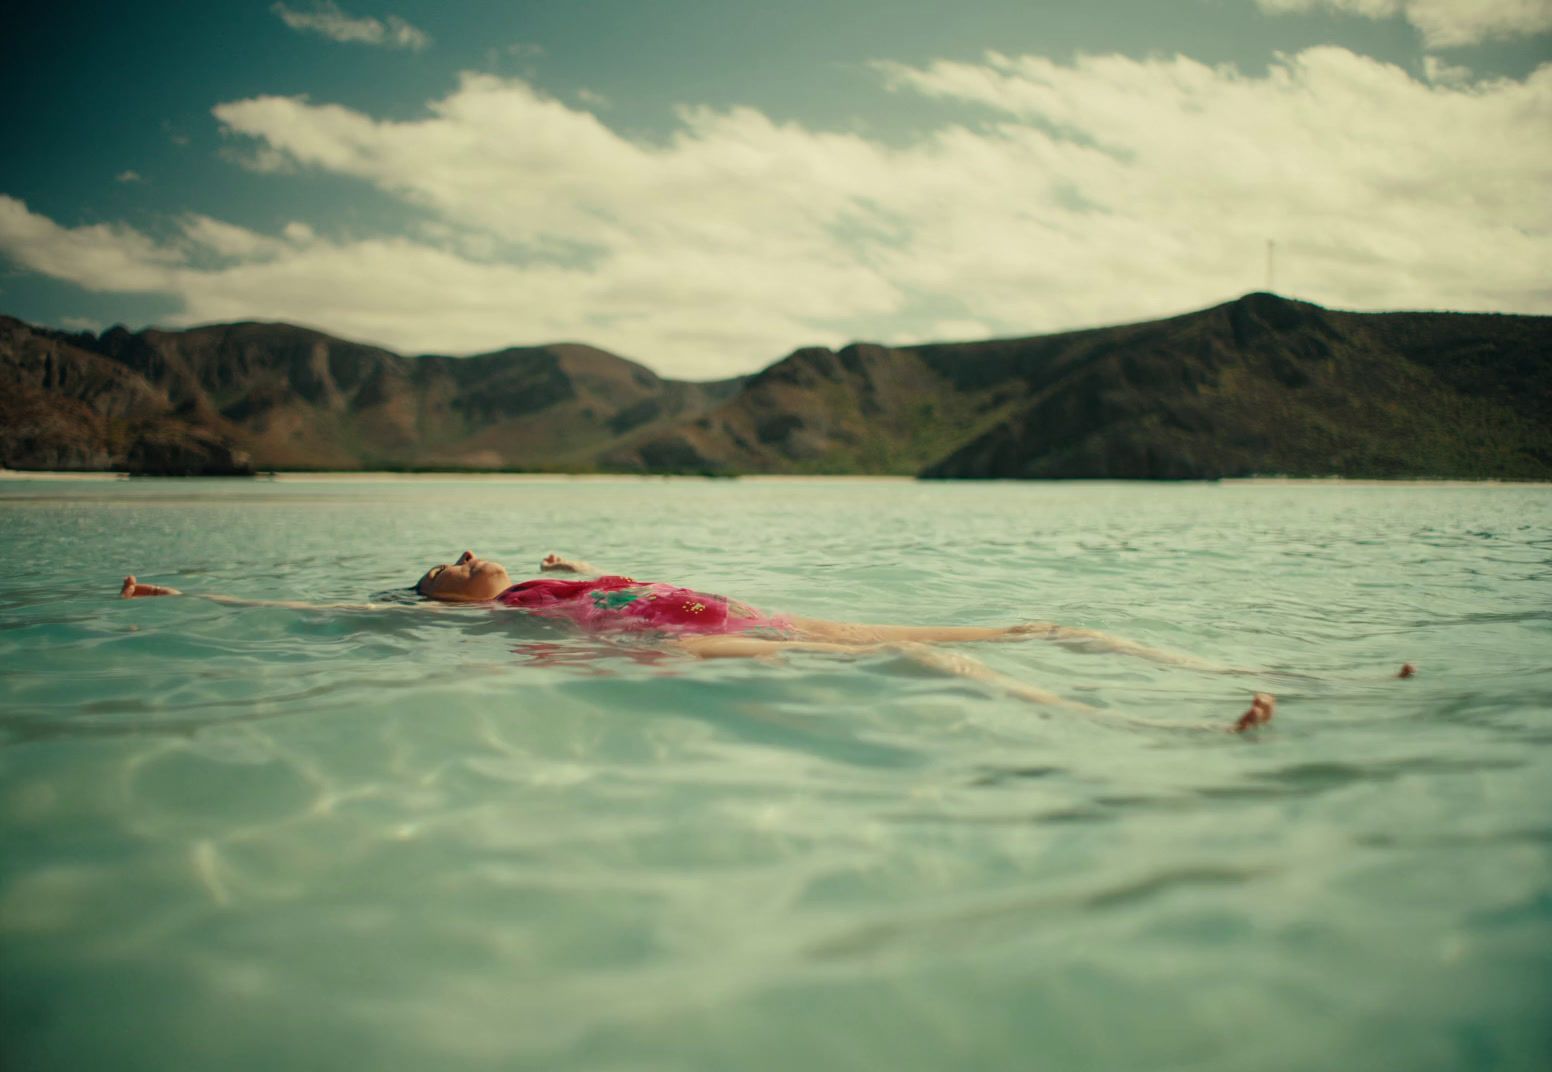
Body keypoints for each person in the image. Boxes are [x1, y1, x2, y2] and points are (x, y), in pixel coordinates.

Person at [121, 547, 1318, 733]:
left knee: (1046, 618)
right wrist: (177, 599)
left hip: (753, 615)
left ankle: (1270, 674)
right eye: (443, 561)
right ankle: (1169, 732)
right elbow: (315, 617)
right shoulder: (497, 614)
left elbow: (582, 562)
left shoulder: (552, 569)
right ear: (441, 595)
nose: (457, 550)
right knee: (925, 663)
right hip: (669, 650)